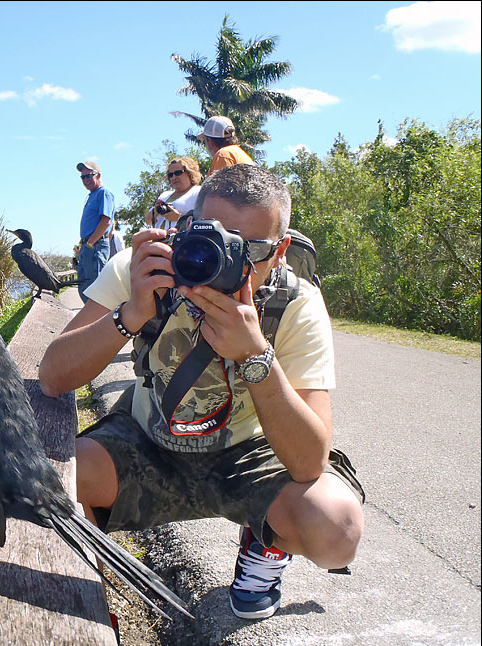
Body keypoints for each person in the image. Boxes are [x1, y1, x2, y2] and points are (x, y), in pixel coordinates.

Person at [39, 164, 365, 620]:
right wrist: (130, 313)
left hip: (246, 455)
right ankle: (91, 606)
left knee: (337, 530)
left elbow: (311, 460)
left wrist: (256, 356)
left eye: (250, 248)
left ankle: (264, 538)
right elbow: (53, 376)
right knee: (52, 487)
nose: (228, 259)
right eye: (212, 236)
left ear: (282, 250)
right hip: (149, 443)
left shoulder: (297, 303)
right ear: (187, 227)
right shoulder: (143, 270)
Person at [76, 161, 115, 303]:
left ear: (98, 175)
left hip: (96, 246)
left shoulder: (104, 193)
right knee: (84, 286)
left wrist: (91, 243)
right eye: (83, 177)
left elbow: (106, 221)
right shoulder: (92, 195)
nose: (86, 180)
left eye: (89, 176)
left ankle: (98, 322)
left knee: (94, 289)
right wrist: (84, 244)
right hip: (88, 246)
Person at [144, 156, 202, 231]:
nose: (173, 177)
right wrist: (155, 211)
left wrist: (179, 217)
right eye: (170, 175)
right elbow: (148, 221)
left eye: (178, 173)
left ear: (190, 173)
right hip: (160, 239)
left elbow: (204, 220)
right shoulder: (164, 195)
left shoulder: (198, 192)